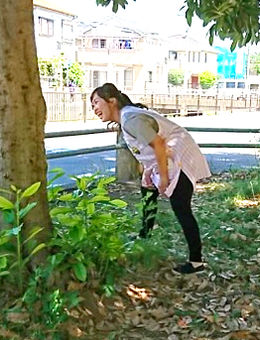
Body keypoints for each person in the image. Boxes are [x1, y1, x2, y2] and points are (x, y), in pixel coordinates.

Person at [90, 83, 211, 274]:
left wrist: (163, 178)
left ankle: (196, 262)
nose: (95, 108)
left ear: (112, 101)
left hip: (178, 157)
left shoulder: (130, 119)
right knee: (147, 190)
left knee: (181, 208)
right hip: (166, 157)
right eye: (92, 105)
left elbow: (159, 144)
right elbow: (147, 147)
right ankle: (145, 234)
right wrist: (148, 170)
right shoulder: (127, 118)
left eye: (96, 102)